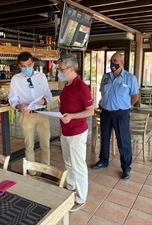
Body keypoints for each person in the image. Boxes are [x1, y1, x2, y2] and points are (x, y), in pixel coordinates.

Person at [91, 52, 139, 180]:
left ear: (122, 62)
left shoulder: (130, 78)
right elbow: (102, 91)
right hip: (106, 112)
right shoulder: (106, 77)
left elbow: (135, 96)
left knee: (123, 141)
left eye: (115, 61)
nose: (113, 64)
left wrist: (125, 105)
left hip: (121, 113)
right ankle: (103, 160)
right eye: (111, 61)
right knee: (104, 138)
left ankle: (126, 167)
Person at [58, 54, 94, 212]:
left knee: (78, 165)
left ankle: (80, 198)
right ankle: (71, 189)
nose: (59, 71)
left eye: (61, 69)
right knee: (68, 163)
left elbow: (90, 111)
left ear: (71, 69)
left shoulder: (81, 87)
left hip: (77, 132)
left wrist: (72, 116)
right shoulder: (67, 85)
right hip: (65, 131)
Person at [9, 52, 52, 169]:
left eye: (28, 65)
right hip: (26, 115)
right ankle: (31, 172)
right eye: (23, 66)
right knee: (29, 146)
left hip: (42, 113)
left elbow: (48, 95)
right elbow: (12, 98)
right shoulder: (16, 79)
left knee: (45, 145)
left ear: (33, 63)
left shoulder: (41, 76)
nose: (26, 68)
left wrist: (44, 100)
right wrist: (19, 106)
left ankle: (46, 170)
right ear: (19, 66)